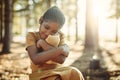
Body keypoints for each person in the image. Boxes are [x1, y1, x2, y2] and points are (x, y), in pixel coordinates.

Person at [26, 6, 84, 80]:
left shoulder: (61, 36)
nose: (48, 33)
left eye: (53, 32)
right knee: (56, 79)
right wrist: (60, 49)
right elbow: (35, 59)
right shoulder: (32, 35)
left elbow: (61, 60)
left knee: (75, 72)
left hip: (58, 71)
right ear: (41, 20)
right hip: (39, 74)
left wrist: (45, 46)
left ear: (58, 30)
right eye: (46, 27)